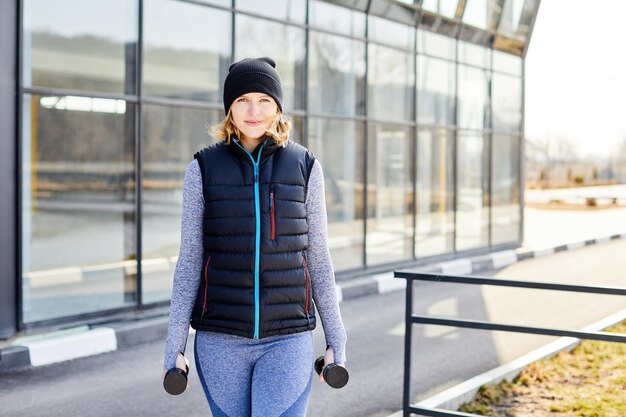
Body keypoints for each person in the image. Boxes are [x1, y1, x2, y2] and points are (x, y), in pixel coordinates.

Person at [162, 56, 347, 417]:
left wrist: (335, 336)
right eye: (243, 100)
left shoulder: (306, 167)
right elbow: (189, 260)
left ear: (278, 108)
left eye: (264, 100)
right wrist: (174, 343)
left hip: (288, 338)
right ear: (229, 109)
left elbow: (319, 258)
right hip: (220, 340)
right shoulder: (201, 169)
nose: (254, 110)